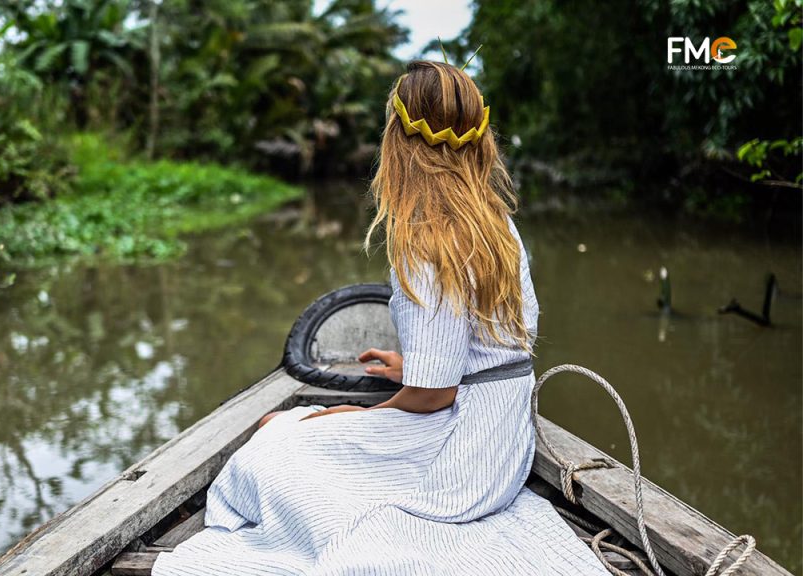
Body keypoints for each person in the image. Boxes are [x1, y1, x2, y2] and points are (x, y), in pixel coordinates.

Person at [152, 60, 608, 575]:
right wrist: (410, 366)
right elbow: (487, 348)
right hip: (505, 436)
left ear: (399, 140)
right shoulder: (494, 218)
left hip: (462, 456)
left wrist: (351, 415)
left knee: (275, 437)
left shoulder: (424, 238)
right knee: (294, 430)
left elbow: (434, 395)